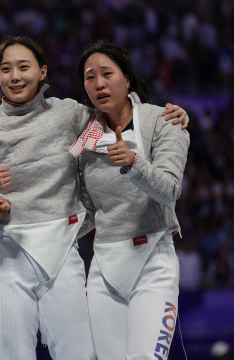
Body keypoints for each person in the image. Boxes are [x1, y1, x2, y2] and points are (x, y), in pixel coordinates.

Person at [0, 35, 187, 360]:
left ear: (42, 72)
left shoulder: (72, 115)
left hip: (64, 254)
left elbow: (122, 115)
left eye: (23, 67)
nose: (14, 76)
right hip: (8, 255)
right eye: (5, 69)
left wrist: (178, 117)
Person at [70, 40, 190, 359]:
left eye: (107, 74)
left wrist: (135, 163)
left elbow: (169, 190)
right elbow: (89, 212)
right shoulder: (83, 140)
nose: (99, 84)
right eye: (89, 77)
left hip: (153, 260)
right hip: (104, 268)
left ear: (126, 77)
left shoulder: (165, 121)